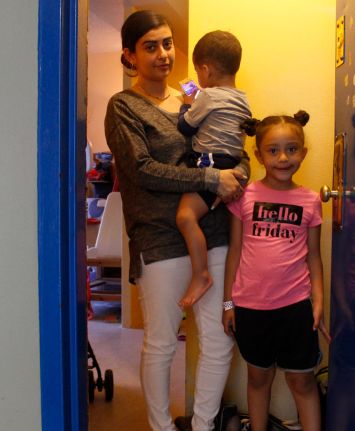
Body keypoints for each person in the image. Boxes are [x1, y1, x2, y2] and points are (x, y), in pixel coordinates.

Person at [104, 10, 248, 431]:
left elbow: (227, 139)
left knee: (220, 338)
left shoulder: (195, 92)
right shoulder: (124, 107)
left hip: (215, 231)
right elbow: (142, 170)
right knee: (163, 342)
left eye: (168, 43)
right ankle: (162, 427)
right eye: (151, 46)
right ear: (129, 55)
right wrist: (210, 178)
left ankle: (203, 425)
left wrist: (237, 172)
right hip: (161, 237)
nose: (164, 54)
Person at [222, 111, 331, 431]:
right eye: (273, 150)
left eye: (292, 149)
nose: (283, 158)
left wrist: (319, 301)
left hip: (296, 306)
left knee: (302, 382)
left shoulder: (310, 200)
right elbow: (235, 253)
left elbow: (313, 256)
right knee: (258, 379)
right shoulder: (245, 196)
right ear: (258, 155)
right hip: (251, 308)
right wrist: (228, 304)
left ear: (304, 152)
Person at [175, 30, 252, 309]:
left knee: (185, 217)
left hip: (211, 163)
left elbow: (185, 127)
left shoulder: (206, 97)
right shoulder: (243, 100)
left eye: (199, 71)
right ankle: (205, 275)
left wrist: (186, 106)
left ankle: (200, 275)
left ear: (205, 69)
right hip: (232, 164)